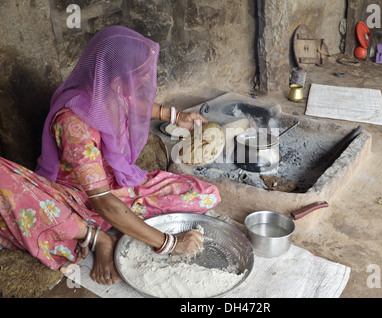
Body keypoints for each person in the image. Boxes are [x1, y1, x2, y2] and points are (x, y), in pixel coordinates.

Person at [0, 25, 220, 285]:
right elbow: (102, 201)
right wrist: (169, 243)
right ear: (119, 73)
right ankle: (98, 237)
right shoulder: (75, 123)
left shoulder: (108, 91)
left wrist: (174, 116)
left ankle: (116, 222)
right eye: (140, 74)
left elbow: (129, 102)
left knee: (206, 195)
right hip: (74, 201)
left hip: (115, 188)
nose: (144, 80)